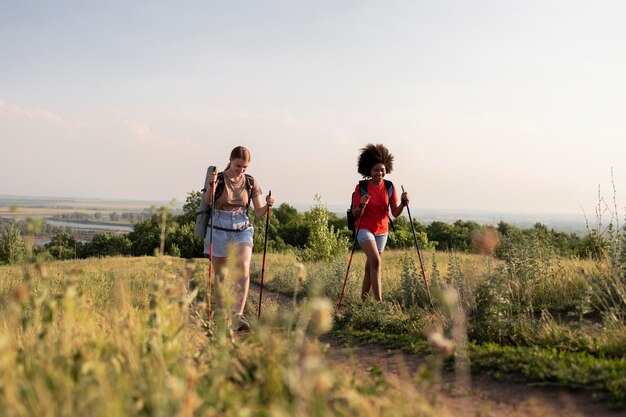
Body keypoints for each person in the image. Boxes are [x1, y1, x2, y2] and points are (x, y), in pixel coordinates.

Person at [205, 146, 274, 331]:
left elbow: (259, 212)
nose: (241, 170)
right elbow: (208, 202)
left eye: (245, 167)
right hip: (219, 226)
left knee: (243, 267)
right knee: (221, 276)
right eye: (238, 166)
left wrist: (268, 205)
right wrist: (212, 185)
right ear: (230, 160)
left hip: (242, 226)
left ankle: (238, 316)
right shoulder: (218, 178)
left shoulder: (250, 182)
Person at [351, 144, 408, 301]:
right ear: (369, 170)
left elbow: (395, 213)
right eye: (376, 170)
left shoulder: (389, 187)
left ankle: (363, 303)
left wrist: (403, 203)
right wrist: (362, 204)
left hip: (382, 230)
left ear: (386, 169)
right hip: (363, 228)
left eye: (382, 170)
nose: (379, 173)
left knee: (370, 267)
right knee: (376, 262)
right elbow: (355, 213)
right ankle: (379, 304)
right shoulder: (361, 187)